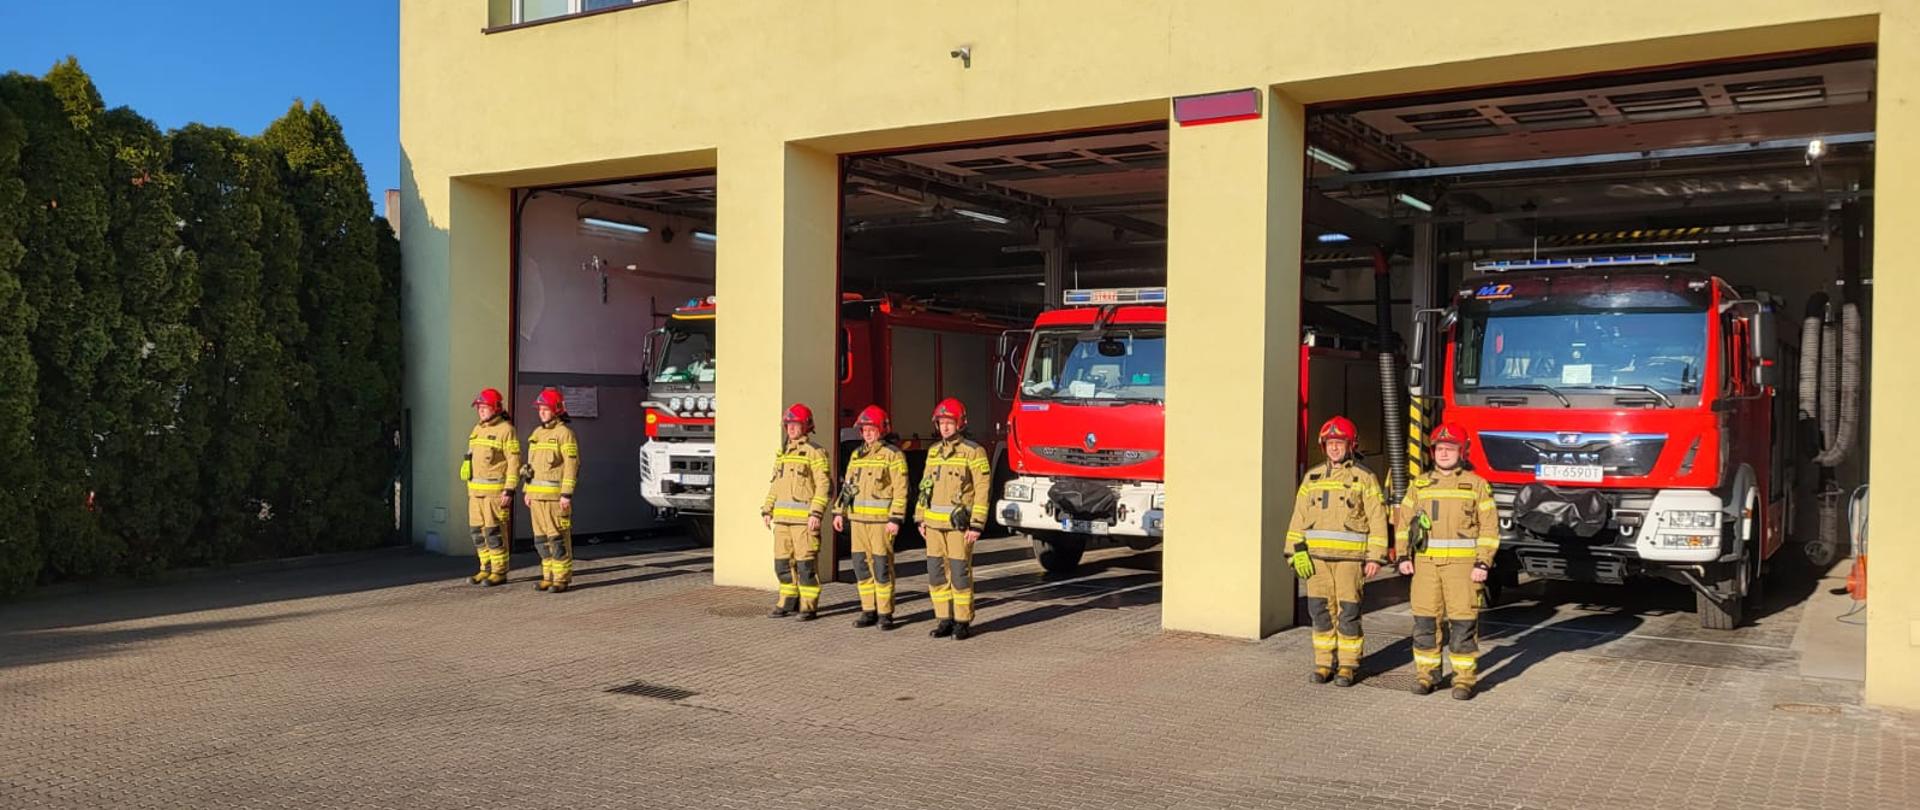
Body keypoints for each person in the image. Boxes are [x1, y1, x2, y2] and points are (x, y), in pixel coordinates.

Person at [1395, 423, 1499, 700]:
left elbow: (1489, 529)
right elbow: (1403, 524)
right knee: (1425, 622)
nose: (1443, 454)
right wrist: (1403, 555)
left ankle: (1464, 679)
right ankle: (1425, 676)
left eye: (1450, 449)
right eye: (1439, 449)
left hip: (1463, 568)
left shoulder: (1477, 485)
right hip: (1426, 566)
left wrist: (1483, 563)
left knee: (1463, 624)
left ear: (1462, 452)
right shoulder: (1419, 485)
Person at [1283, 416, 1388, 686]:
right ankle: (1323, 663)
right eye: (1330, 443)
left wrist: (1375, 556)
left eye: (1339, 443)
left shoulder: (1364, 478)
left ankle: (1348, 666)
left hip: (1350, 561)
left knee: (1348, 612)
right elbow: (1298, 517)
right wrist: (1293, 551)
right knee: (1319, 611)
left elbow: (1377, 519)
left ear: (1350, 445)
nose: (1334, 448)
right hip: (1316, 560)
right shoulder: (1312, 478)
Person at [917, 398, 992, 640]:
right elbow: (925, 487)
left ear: (960, 423)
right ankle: (943, 619)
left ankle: (962, 621)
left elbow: (982, 490)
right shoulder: (933, 452)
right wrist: (920, 518)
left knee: (960, 574)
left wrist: (977, 524)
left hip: (959, 526)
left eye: (950, 422)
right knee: (936, 574)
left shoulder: (974, 452)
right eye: (941, 423)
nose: (945, 427)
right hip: (933, 526)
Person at [833, 406, 908, 630]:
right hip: (858, 522)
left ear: (882, 430)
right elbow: (848, 487)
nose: (867, 433)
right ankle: (868, 610)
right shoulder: (857, 455)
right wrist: (839, 512)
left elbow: (901, 489)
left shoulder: (893, 455)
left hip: (881, 524)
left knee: (881, 567)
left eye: (871, 429)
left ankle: (885, 613)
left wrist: (896, 518)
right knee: (861, 567)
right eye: (864, 429)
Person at [760, 403, 831, 620]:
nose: (790, 428)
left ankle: (808, 606)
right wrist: (767, 509)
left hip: (803, 523)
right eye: (788, 424)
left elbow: (823, 485)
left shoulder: (815, 453)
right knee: (782, 563)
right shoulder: (783, 453)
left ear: (806, 426)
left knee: (805, 565)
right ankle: (787, 601)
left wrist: (816, 513)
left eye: (795, 424)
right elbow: (776, 485)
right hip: (782, 522)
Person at [523, 388, 581, 593]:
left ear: (556, 409)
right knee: (541, 540)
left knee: (557, 539)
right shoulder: (537, 434)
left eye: (545, 409)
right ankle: (547, 576)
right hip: (537, 498)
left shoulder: (565, 434)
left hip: (555, 499)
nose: (541, 412)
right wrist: (527, 490)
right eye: (540, 409)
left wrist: (566, 494)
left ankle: (561, 578)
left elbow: (571, 466)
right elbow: (530, 465)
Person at [461, 388, 520, 586]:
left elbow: (514, 462)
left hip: (495, 494)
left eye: (484, 407)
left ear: (495, 408)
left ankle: (499, 571)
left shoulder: (506, 430)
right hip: (475, 493)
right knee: (477, 532)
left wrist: (509, 489)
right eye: (479, 407)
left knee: (494, 533)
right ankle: (484, 568)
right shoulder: (477, 429)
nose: (481, 411)